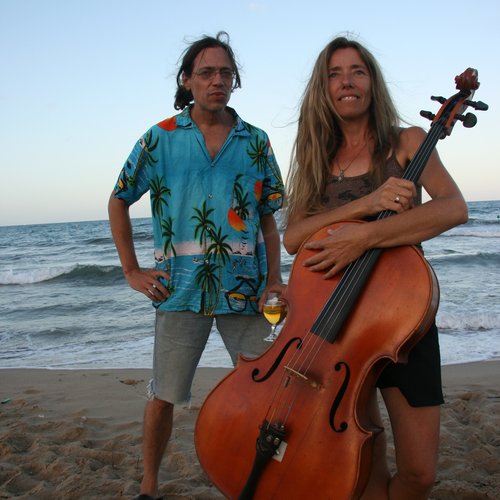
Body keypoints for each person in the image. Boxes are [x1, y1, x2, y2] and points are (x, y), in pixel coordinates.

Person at [283, 36, 468, 499]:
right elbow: (293, 238)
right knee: (362, 464)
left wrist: (364, 237)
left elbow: (453, 208)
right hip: (338, 331)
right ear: (324, 88)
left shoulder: (407, 142)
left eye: (357, 71)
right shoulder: (316, 157)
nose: (346, 82)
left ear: (372, 82)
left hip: (402, 324)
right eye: (335, 74)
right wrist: (366, 205)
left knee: (419, 473)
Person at [108, 31, 284, 500]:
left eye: (226, 73)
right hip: (178, 290)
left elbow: (268, 217)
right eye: (206, 73)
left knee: (264, 392)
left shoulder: (255, 141)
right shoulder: (160, 138)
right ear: (187, 80)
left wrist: (275, 278)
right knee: (164, 394)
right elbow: (119, 199)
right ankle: (149, 486)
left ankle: (263, 481)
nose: (217, 81)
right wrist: (131, 270)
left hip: (245, 291)